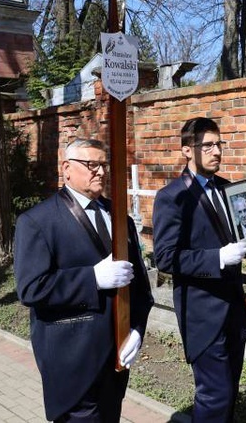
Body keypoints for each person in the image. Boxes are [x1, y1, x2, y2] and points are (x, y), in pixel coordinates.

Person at [13, 138, 153, 422]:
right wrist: (92, 278)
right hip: (71, 360)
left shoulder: (119, 218)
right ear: (66, 168)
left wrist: (137, 328)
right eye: (91, 164)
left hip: (115, 358)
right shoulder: (38, 221)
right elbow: (31, 289)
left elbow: (139, 285)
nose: (100, 171)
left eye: (104, 164)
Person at [152, 117, 246, 422]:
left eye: (219, 144)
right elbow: (167, 258)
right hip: (202, 312)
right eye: (206, 145)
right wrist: (217, 258)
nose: (216, 151)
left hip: (235, 307)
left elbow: (243, 237)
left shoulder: (229, 188)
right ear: (186, 150)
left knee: (230, 388)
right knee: (214, 395)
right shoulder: (172, 197)